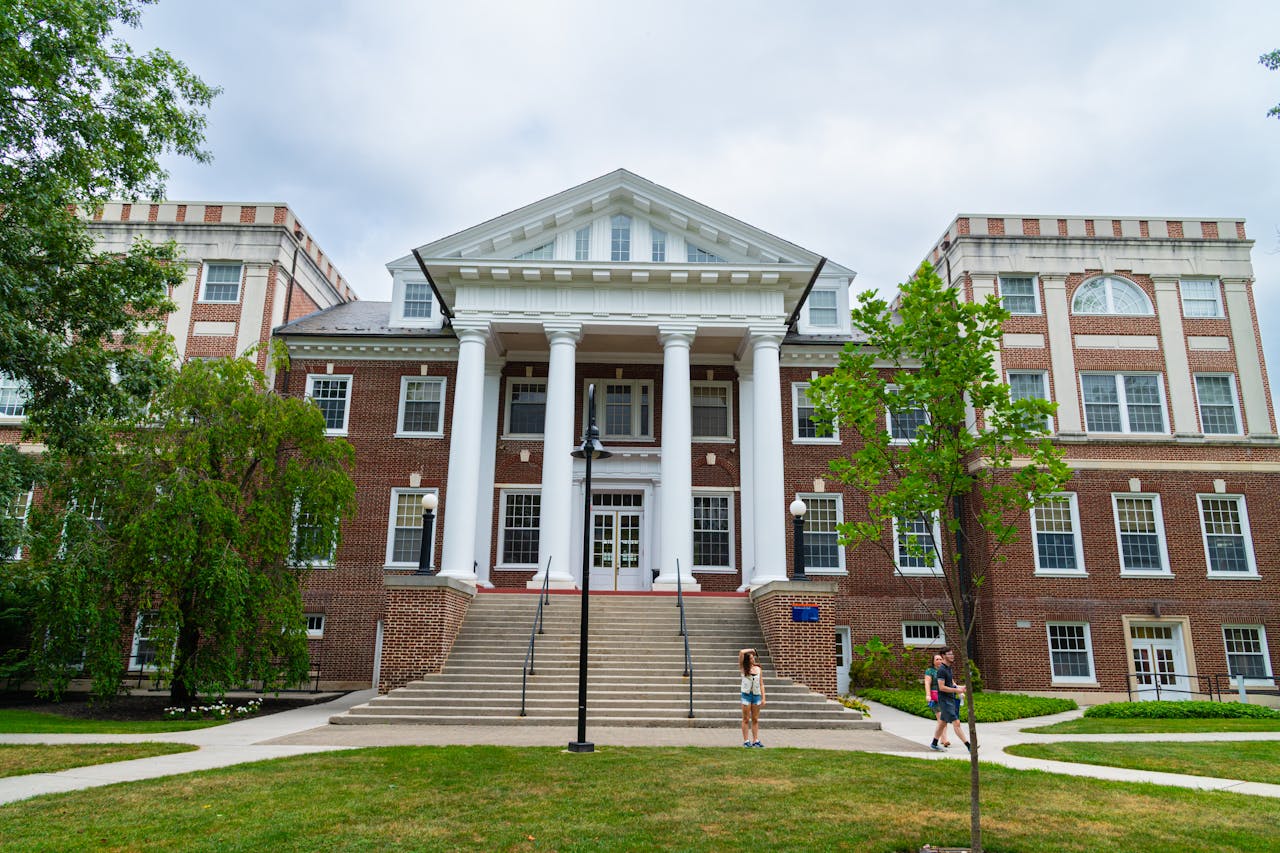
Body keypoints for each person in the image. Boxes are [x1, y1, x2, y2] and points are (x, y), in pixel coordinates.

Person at [931, 647, 971, 752]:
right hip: (944, 701)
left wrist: (959, 688)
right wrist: (956, 691)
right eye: (949, 654)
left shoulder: (949, 668)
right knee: (956, 722)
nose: (952, 656)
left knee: (943, 722)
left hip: (951, 699)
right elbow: (942, 687)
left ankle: (934, 743)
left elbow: (950, 685)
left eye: (952, 654)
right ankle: (969, 746)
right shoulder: (941, 670)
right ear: (943, 656)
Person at [739, 647, 766, 747]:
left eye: (753, 657)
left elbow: (761, 684)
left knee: (755, 719)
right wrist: (752, 650)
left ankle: (755, 740)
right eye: (750, 658)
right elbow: (741, 652)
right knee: (746, 719)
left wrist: (763, 698)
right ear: (747, 660)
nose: (753, 659)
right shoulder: (743, 669)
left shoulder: (758, 669)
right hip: (746, 695)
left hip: (756, 696)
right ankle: (746, 741)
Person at [924, 652, 951, 749]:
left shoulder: (945, 670)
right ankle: (944, 739)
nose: (939, 661)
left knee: (944, 719)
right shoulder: (930, 671)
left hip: (945, 696)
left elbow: (951, 682)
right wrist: (928, 695)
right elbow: (927, 683)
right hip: (935, 697)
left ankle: (942, 739)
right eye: (937, 659)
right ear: (933, 661)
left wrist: (960, 690)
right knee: (941, 718)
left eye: (940, 659)